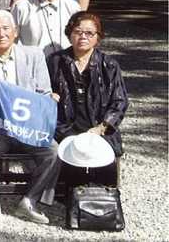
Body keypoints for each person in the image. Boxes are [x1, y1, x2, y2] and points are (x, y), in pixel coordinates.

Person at [0, 10, 60, 225]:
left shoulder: (34, 55)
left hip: (28, 126)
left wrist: (49, 100)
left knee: (53, 151)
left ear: (15, 32)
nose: (1, 34)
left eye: (6, 28)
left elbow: (44, 92)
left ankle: (29, 201)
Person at [49, 11, 128, 187]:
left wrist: (101, 128)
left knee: (103, 177)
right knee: (66, 175)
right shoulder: (55, 61)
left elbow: (120, 102)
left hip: (99, 129)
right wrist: (49, 97)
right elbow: (42, 95)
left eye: (89, 33)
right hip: (65, 128)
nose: (83, 36)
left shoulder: (109, 65)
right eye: (78, 32)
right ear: (69, 34)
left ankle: (102, 196)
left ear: (98, 37)